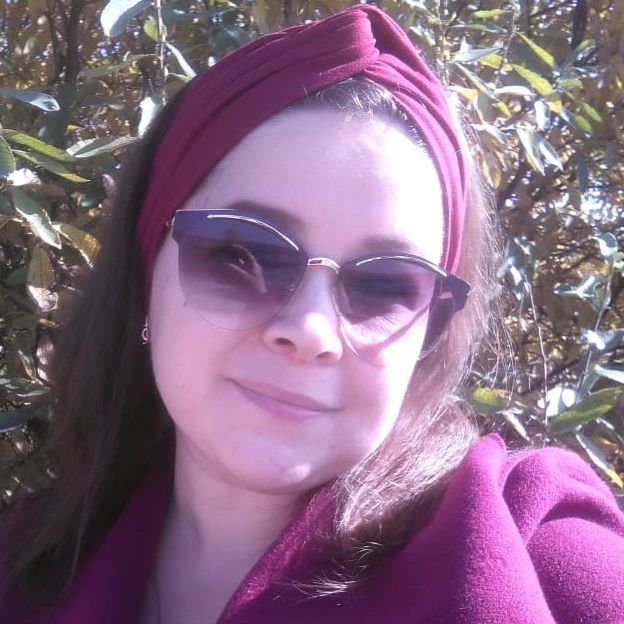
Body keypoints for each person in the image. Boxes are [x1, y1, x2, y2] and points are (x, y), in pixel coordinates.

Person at [1, 5, 624, 623]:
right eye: (242, 255)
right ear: (147, 271)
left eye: (385, 286)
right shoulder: (19, 564)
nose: (310, 331)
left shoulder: (532, 542)